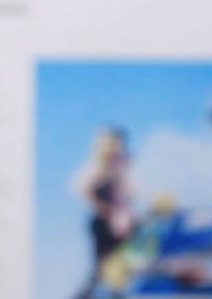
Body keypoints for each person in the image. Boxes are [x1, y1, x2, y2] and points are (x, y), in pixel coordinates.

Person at [72, 125, 136, 299]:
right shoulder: (100, 165)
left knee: (122, 268)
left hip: (122, 224)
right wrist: (104, 208)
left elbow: (130, 193)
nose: (117, 146)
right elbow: (83, 188)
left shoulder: (122, 165)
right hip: (104, 224)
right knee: (102, 269)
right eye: (112, 141)